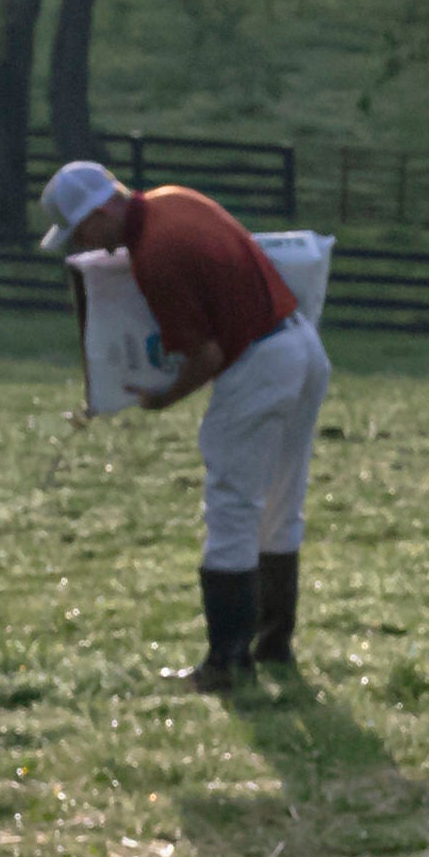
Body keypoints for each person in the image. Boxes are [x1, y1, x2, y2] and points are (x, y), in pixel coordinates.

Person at [44, 155, 328, 691]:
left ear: (97, 213)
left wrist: (161, 399)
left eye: (83, 233)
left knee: (231, 506)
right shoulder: (176, 199)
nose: (88, 248)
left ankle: (226, 662)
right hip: (304, 346)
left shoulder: (156, 256)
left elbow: (207, 356)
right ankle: (273, 644)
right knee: (280, 502)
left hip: (259, 360)